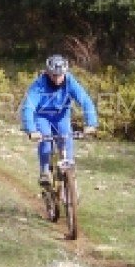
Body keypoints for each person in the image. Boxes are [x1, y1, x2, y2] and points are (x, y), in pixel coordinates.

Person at [20, 55, 98, 186]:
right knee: (45, 140)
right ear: (48, 73)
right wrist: (31, 130)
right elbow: (28, 107)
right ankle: (45, 171)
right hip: (42, 116)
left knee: (66, 139)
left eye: (60, 75)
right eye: (54, 75)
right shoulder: (39, 85)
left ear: (65, 72)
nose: (57, 78)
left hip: (61, 117)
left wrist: (91, 123)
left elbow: (85, 100)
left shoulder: (70, 82)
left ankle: (70, 179)